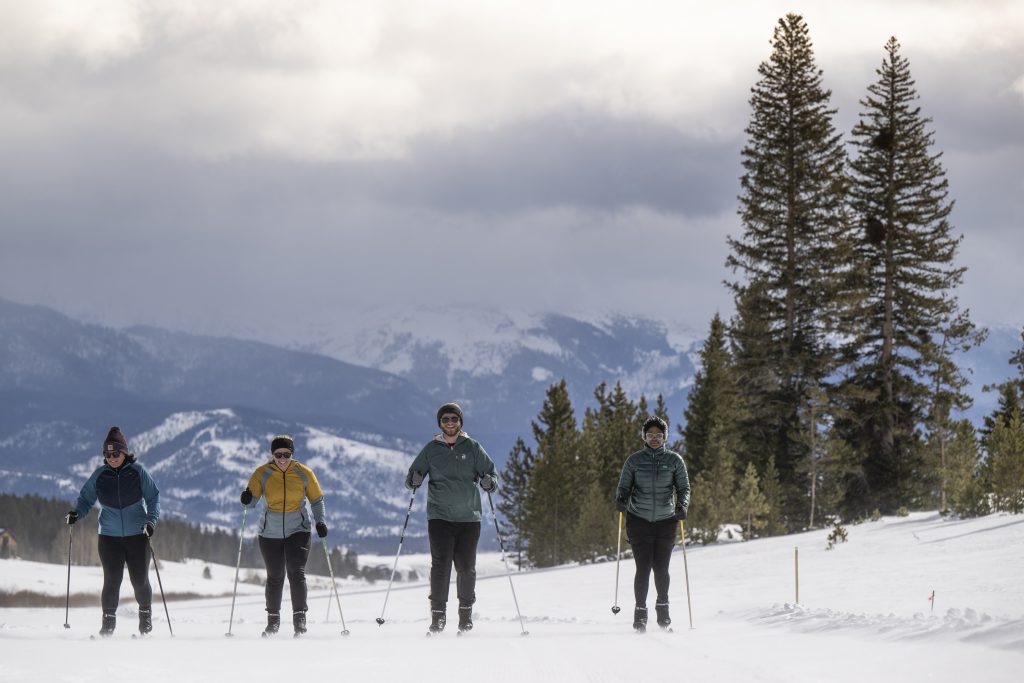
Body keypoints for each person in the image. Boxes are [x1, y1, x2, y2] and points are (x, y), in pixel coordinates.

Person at [405, 402, 497, 634]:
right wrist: (414, 479)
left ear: (460, 422)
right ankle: (438, 618)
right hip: (440, 516)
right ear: (440, 423)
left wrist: (489, 482)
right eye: (445, 419)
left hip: (468, 517)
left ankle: (465, 616)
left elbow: (492, 475)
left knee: (466, 568)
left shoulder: (473, 447)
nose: (449, 423)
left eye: (454, 419)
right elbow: (411, 477)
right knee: (441, 566)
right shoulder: (431, 449)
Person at [65, 426, 161, 637]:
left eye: (116, 453)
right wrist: (76, 514)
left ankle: (145, 618)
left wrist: (151, 522)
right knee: (112, 580)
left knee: (140, 580)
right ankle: (108, 625)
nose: (112, 458)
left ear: (124, 452)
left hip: (138, 536)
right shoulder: (100, 475)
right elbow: (86, 499)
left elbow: (154, 497)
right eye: (107, 455)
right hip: (109, 537)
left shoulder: (138, 472)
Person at [240, 434, 327, 637]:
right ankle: (273, 623)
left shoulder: (304, 473)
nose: (282, 458)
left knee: (296, 572)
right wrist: (246, 498)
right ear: (272, 455)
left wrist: (321, 521)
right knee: (275, 576)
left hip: (299, 529)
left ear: (292, 454)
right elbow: (250, 503)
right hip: (269, 532)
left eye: (286, 454)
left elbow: (317, 500)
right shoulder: (262, 473)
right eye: (278, 454)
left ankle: (300, 621)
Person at [615, 415, 690, 632]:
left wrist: (682, 505)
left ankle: (663, 615)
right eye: (650, 435)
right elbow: (623, 487)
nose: (654, 438)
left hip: (667, 520)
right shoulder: (634, 461)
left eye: (658, 435)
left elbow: (684, 488)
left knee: (661, 568)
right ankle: (640, 616)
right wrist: (620, 499)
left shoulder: (675, 460)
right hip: (639, 520)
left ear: (665, 436)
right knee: (643, 568)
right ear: (644, 437)